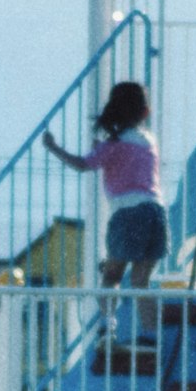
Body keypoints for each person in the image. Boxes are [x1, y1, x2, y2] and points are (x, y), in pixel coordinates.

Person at [48, 77, 170, 281]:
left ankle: (107, 313)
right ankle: (148, 314)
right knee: (141, 283)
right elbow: (129, 162)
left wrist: (54, 148)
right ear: (145, 112)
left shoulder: (112, 145)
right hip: (155, 211)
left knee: (112, 277)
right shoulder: (149, 142)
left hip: (127, 212)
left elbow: (82, 164)